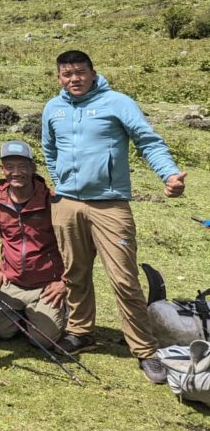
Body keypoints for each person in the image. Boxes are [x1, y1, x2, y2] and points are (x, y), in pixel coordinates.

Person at [42, 49, 186, 384]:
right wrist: (60, 183)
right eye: (67, 74)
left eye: (80, 72)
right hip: (67, 204)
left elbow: (148, 141)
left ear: (93, 72)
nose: (74, 79)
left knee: (124, 279)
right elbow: (49, 149)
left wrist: (169, 175)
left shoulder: (117, 102)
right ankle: (80, 331)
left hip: (110, 204)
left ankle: (145, 348)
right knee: (75, 273)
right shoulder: (54, 108)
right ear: (58, 77)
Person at [0, 141, 66, 345]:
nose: (16, 172)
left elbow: (79, 243)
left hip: (46, 284)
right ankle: (23, 314)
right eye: (10, 166)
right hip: (11, 281)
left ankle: (58, 310)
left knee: (43, 340)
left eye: (22, 166)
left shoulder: (52, 200)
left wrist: (64, 281)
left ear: (33, 168)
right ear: (1, 169)